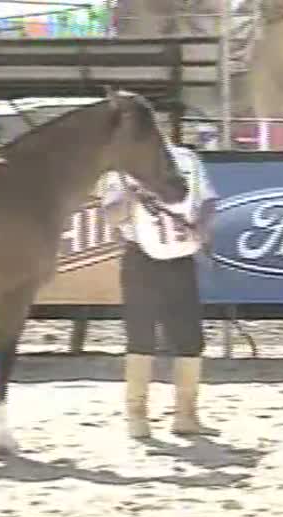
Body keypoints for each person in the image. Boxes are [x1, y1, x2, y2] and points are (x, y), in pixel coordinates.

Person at [101, 140, 219, 438]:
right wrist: (130, 193)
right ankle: (137, 417)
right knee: (141, 336)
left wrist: (202, 229)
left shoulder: (185, 158)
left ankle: (185, 415)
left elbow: (207, 201)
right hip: (140, 255)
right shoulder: (123, 164)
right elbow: (112, 214)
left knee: (189, 337)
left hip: (179, 255)